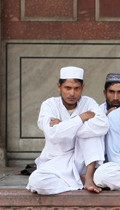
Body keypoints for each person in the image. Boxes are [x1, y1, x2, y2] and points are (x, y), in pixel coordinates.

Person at [27, 66, 109, 195]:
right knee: (36, 182)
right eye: (67, 88)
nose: (72, 93)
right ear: (59, 87)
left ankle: (88, 177)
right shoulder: (49, 105)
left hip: (82, 162)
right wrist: (82, 117)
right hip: (56, 161)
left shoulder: (88, 102)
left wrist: (64, 126)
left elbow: (103, 125)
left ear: (82, 87)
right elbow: (53, 134)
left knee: (94, 133)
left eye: (76, 88)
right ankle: (79, 183)